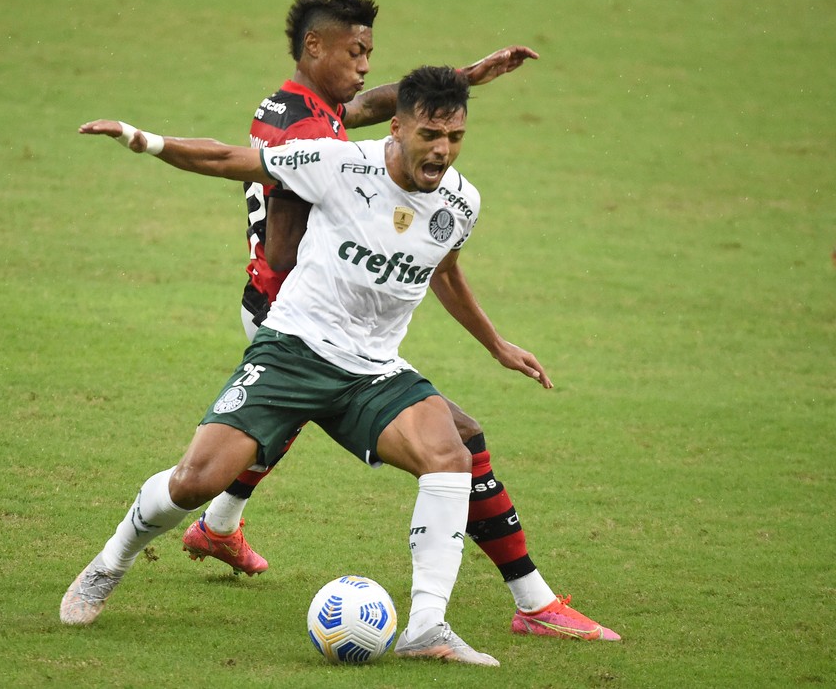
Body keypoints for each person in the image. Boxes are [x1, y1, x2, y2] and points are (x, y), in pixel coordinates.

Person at [63, 66, 557, 665]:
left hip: (372, 370)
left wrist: (496, 344)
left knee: (450, 453)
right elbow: (227, 159)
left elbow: (444, 272)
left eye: (455, 137)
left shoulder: (461, 202)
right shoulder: (337, 163)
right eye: (430, 134)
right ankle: (110, 562)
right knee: (196, 481)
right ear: (396, 128)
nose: (443, 150)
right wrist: (143, 139)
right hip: (293, 351)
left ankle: (427, 626)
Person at [178, 0, 619, 641]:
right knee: (459, 439)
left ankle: (216, 527)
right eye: (355, 53)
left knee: (280, 420)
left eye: (367, 55)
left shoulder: (297, 110)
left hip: (279, 309)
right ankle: (534, 603)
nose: (361, 67)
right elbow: (317, 183)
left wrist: (453, 84)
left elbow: (364, 111)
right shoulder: (307, 135)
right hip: (300, 318)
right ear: (316, 49)